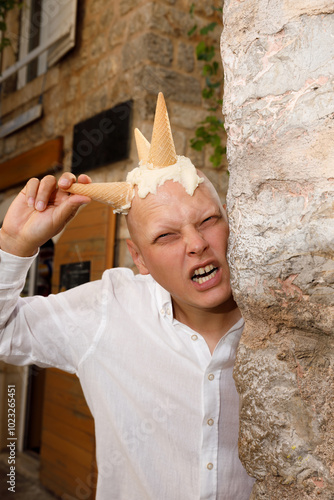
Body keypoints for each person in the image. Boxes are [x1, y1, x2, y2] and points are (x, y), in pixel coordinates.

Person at [0, 94, 255, 499]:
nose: (196, 244)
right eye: (166, 235)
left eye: (208, 220)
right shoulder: (109, 310)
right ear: (140, 259)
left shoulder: (285, 315)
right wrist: (13, 244)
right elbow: (5, 332)